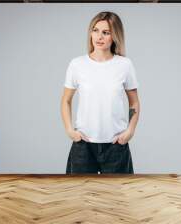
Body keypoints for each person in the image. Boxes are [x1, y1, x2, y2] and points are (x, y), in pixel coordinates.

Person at [60, 11, 140, 174]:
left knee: (116, 196)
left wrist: (130, 131)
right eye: (95, 30)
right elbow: (65, 100)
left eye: (106, 32)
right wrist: (70, 130)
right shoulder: (77, 64)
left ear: (115, 36)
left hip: (116, 145)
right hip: (83, 145)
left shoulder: (125, 65)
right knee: (79, 195)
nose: (99, 37)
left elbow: (134, 102)